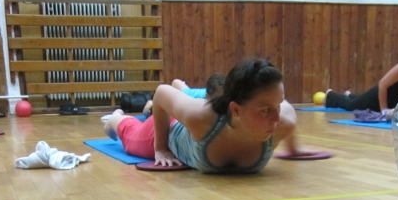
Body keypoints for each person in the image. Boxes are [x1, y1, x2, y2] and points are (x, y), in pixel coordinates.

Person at [103, 57, 306, 173]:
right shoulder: (201, 117)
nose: (276, 119)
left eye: (278, 105)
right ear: (236, 110)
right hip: (173, 127)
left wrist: (293, 150)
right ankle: (115, 118)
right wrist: (161, 148)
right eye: (266, 110)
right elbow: (162, 93)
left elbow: (285, 117)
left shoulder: (284, 122)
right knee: (131, 138)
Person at [323, 39, 398, 115]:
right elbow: (382, 85)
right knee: (351, 106)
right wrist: (384, 109)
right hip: (378, 98)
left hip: (392, 103)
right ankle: (330, 96)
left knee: (357, 101)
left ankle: (350, 95)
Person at [142, 73, 226, 115]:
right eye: (217, 101)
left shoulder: (226, 97)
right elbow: (175, 83)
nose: (219, 103)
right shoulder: (194, 101)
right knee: (149, 110)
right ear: (207, 97)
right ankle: (151, 103)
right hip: (188, 95)